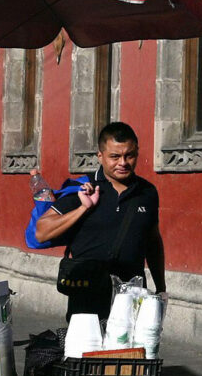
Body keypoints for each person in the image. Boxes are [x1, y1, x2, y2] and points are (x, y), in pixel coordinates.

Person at [32, 121, 165, 322]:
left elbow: (153, 242)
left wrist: (161, 288)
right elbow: (41, 232)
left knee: (131, 353)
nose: (123, 162)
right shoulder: (83, 188)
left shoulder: (147, 192)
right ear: (100, 156)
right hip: (86, 299)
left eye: (129, 155)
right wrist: (83, 208)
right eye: (115, 156)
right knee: (87, 353)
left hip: (132, 300)